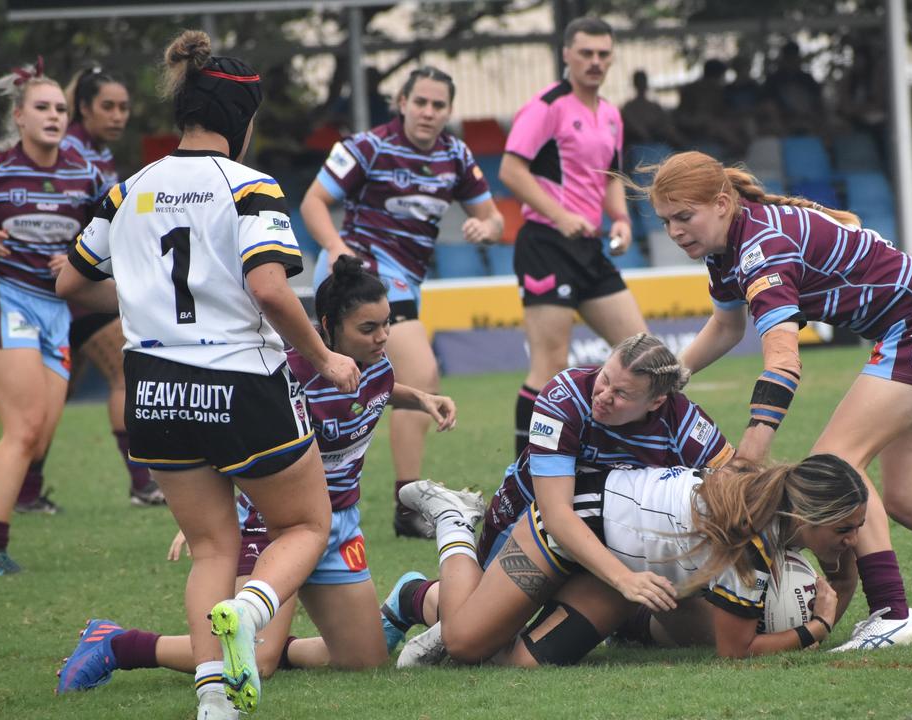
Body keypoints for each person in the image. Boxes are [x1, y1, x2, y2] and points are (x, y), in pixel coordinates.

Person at [638, 151, 912, 650]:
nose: (674, 232)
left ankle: (891, 614)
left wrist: (749, 456)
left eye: (683, 217)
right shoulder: (729, 246)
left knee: (835, 464)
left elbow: (783, 362)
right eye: (664, 221)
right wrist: (669, 379)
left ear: (722, 204)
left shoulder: (761, 247)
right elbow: (726, 325)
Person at [56, 30, 357, 719]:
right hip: (240, 382)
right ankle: (250, 614)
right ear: (239, 121)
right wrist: (325, 357)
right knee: (306, 526)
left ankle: (213, 703)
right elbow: (271, 288)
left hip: (155, 390)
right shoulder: (250, 187)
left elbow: (72, 280)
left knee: (210, 549)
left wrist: (140, 296)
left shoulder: (127, 188)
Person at [56, 256, 460, 694]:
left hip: (339, 526)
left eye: (386, 325)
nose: (382, 337)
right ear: (327, 326)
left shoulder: (378, 367)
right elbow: (234, 441)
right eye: (368, 329)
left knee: (363, 663)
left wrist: (421, 398)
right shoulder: (283, 374)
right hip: (274, 527)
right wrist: (210, 512)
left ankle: (396, 605)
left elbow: (378, 391)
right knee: (254, 661)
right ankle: (118, 644)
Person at [383, 333, 734, 656]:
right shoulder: (564, 397)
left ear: (657, 401)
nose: (604, 396)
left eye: (622, 394)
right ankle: (441, 542)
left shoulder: (685, 423)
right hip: (530, 520)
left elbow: (740, 482)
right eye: (605, 379)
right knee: (479, 631)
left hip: (609, 537)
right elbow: (556, 515)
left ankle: (624, 624)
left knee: (706, 632)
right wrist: (623, 578)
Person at [395, 454, 867, 666]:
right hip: (566, 533)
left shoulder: (771, 509)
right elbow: (735, 652)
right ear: (804, 515)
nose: (853, 540)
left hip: (616, 577)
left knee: (523, 662)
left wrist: (842, 573)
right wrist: (817, 628)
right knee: (464, 644)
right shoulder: (749, 542)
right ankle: (454, 520)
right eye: (844, 529)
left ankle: (420, 600)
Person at [301, 65, 503, 539]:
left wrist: (485, 229)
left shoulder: (455, 155)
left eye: (439, 105)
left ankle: (380, 498)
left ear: (449, 111)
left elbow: (493, 219)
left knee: (332, 386)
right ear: (402, 103)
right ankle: (406, 504)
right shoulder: (368, 146)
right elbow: (313, 201)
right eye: (421, 102)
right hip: (358, 273)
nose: (429, 112)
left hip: (405, 282)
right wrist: (335, 247)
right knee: (419, 372)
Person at [0, 61, 106, 575]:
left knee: (32, 438)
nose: (54, 116)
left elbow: (110, 238)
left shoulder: (86, 173)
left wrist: (79, 256)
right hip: (0, 298)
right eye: (42, 108)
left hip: (55, 310)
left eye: (60, 108)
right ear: (19, 116)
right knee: (24, 428)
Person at [501, 16, 648, 460]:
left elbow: (609, 179)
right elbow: (511, 170)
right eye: (586, 53)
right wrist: (561, 215)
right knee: (549, 366)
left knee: (644, 357)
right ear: (566, 54)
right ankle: (526, 477)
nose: (595, 61)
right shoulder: (546, 106)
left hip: (589, 249)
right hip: (545, 243)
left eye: (604, 54)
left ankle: (634, 458)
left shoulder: (610, 114)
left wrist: (620, 218)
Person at [15, 65, 160, 514]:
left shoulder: (94, 153)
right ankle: (141, 483)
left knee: (55, 397)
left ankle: (23, 491)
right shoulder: (70, 150)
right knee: (122, 369)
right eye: (108, 107)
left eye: (124, 107)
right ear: (83, 108)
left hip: (76, 289)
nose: (118, 116)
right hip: (69, 290)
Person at [621, 70, 685, 148]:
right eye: (640, 81)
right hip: (640, 148)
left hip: (657, 146)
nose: (642, 84)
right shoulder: (629, 108)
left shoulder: (653, 107)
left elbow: (668, 128)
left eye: (643, 81)